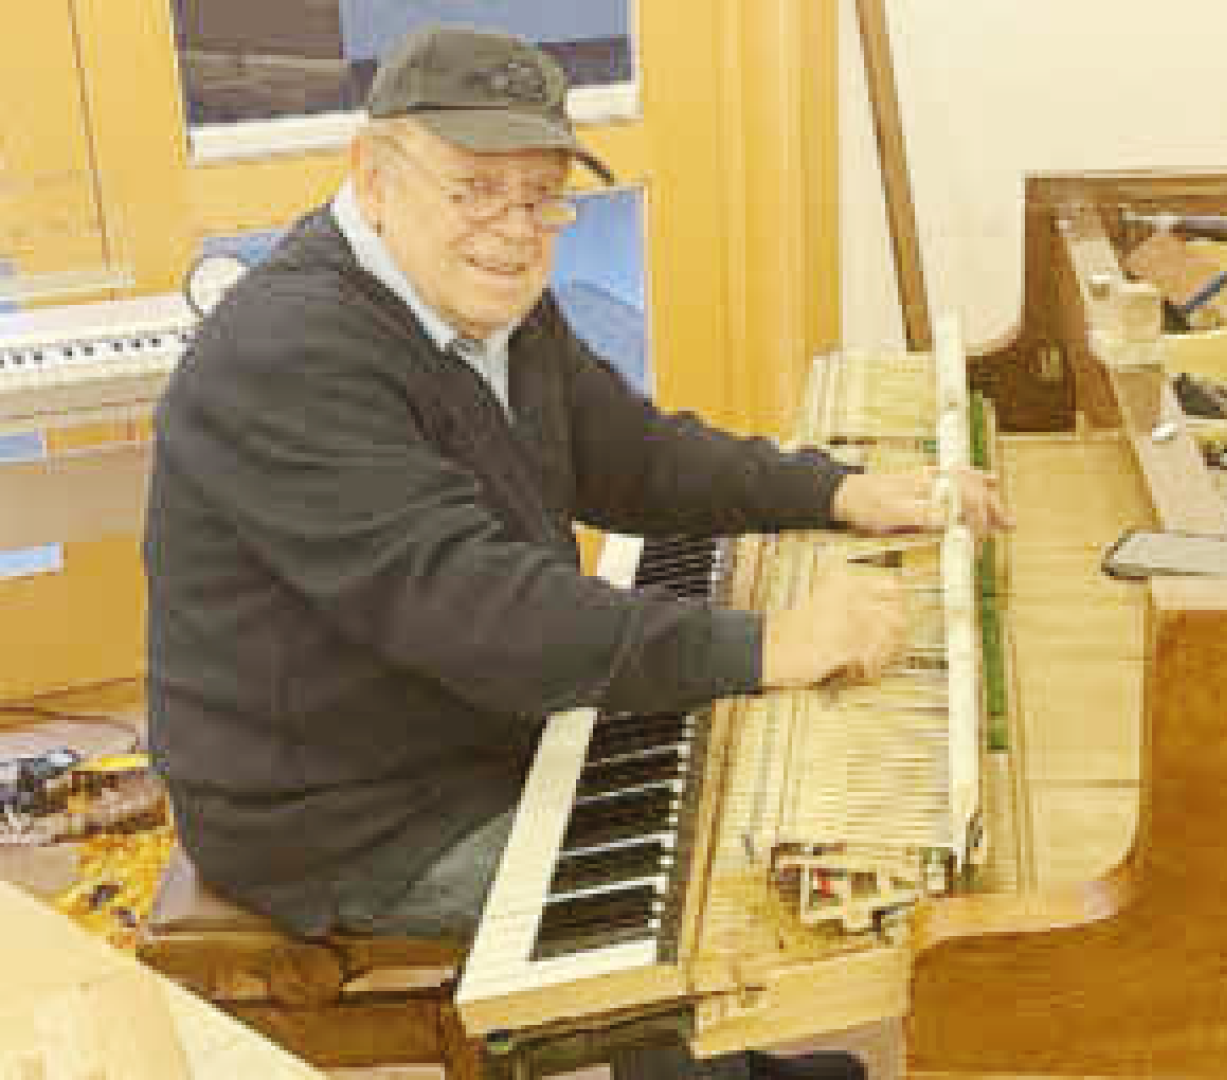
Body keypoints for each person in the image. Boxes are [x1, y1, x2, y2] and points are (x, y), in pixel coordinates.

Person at [145, 24, 1010, 1080]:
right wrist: (768, 645)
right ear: (373, 175)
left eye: (540, 195)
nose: (515, 230)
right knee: (693, 878)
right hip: (351, 810)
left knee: (706, 761)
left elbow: (628, 452)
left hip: (461, 722)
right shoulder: (290, 357)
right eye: (475, 189)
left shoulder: (476, 296)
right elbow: (481, 612)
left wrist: (833, 489)